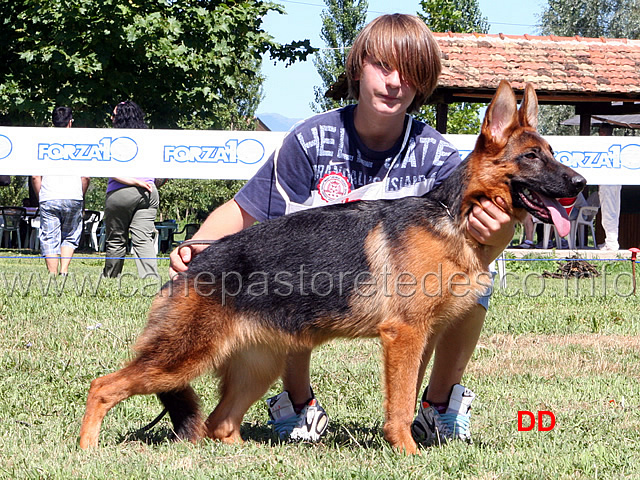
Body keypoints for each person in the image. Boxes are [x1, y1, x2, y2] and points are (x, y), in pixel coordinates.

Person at [169, 14, 514, 447]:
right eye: (383, 67)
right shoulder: (311, 141)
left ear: (423, 82)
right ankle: (298, 405)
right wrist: (196, 244)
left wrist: (499, 233)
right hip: (321, 283)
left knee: (474, 283)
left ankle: (438, 408)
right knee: (300, 269)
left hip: (398, 286)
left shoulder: (437, 155)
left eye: (409, 73)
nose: (394, 83)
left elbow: (478, 244)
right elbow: (244, 210)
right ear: (357, 68)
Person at [102, 101, 159, 279]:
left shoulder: (112, 140)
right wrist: (148, 183)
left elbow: (109, 169)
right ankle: (151, 279)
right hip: (149, 192)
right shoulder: (150, 139)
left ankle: (111, 277)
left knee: (116, 238)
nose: (111, 118)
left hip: (121, 192)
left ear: (119, 118)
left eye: (113, 115)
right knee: (143, 238)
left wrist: (133, 182)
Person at [32, 106, 90, 275]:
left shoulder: (42, 143)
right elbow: (85, 177)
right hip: (73, 195)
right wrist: (81, 194)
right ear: (70, 122)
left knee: (50, 236)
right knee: (70, 235)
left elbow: (36, 176)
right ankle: (64, 271)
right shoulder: (80, 144)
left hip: (49, 195)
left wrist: (40, 195)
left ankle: (52, 273)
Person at [596, 124, 621, 251]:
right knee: (612, 210)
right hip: (614, 181)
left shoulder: (606, 146)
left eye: (601, 131)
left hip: (609, 181)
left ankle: (611, 243)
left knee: (609, 211)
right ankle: (610, 240)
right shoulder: (615, 145)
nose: (600, 134)